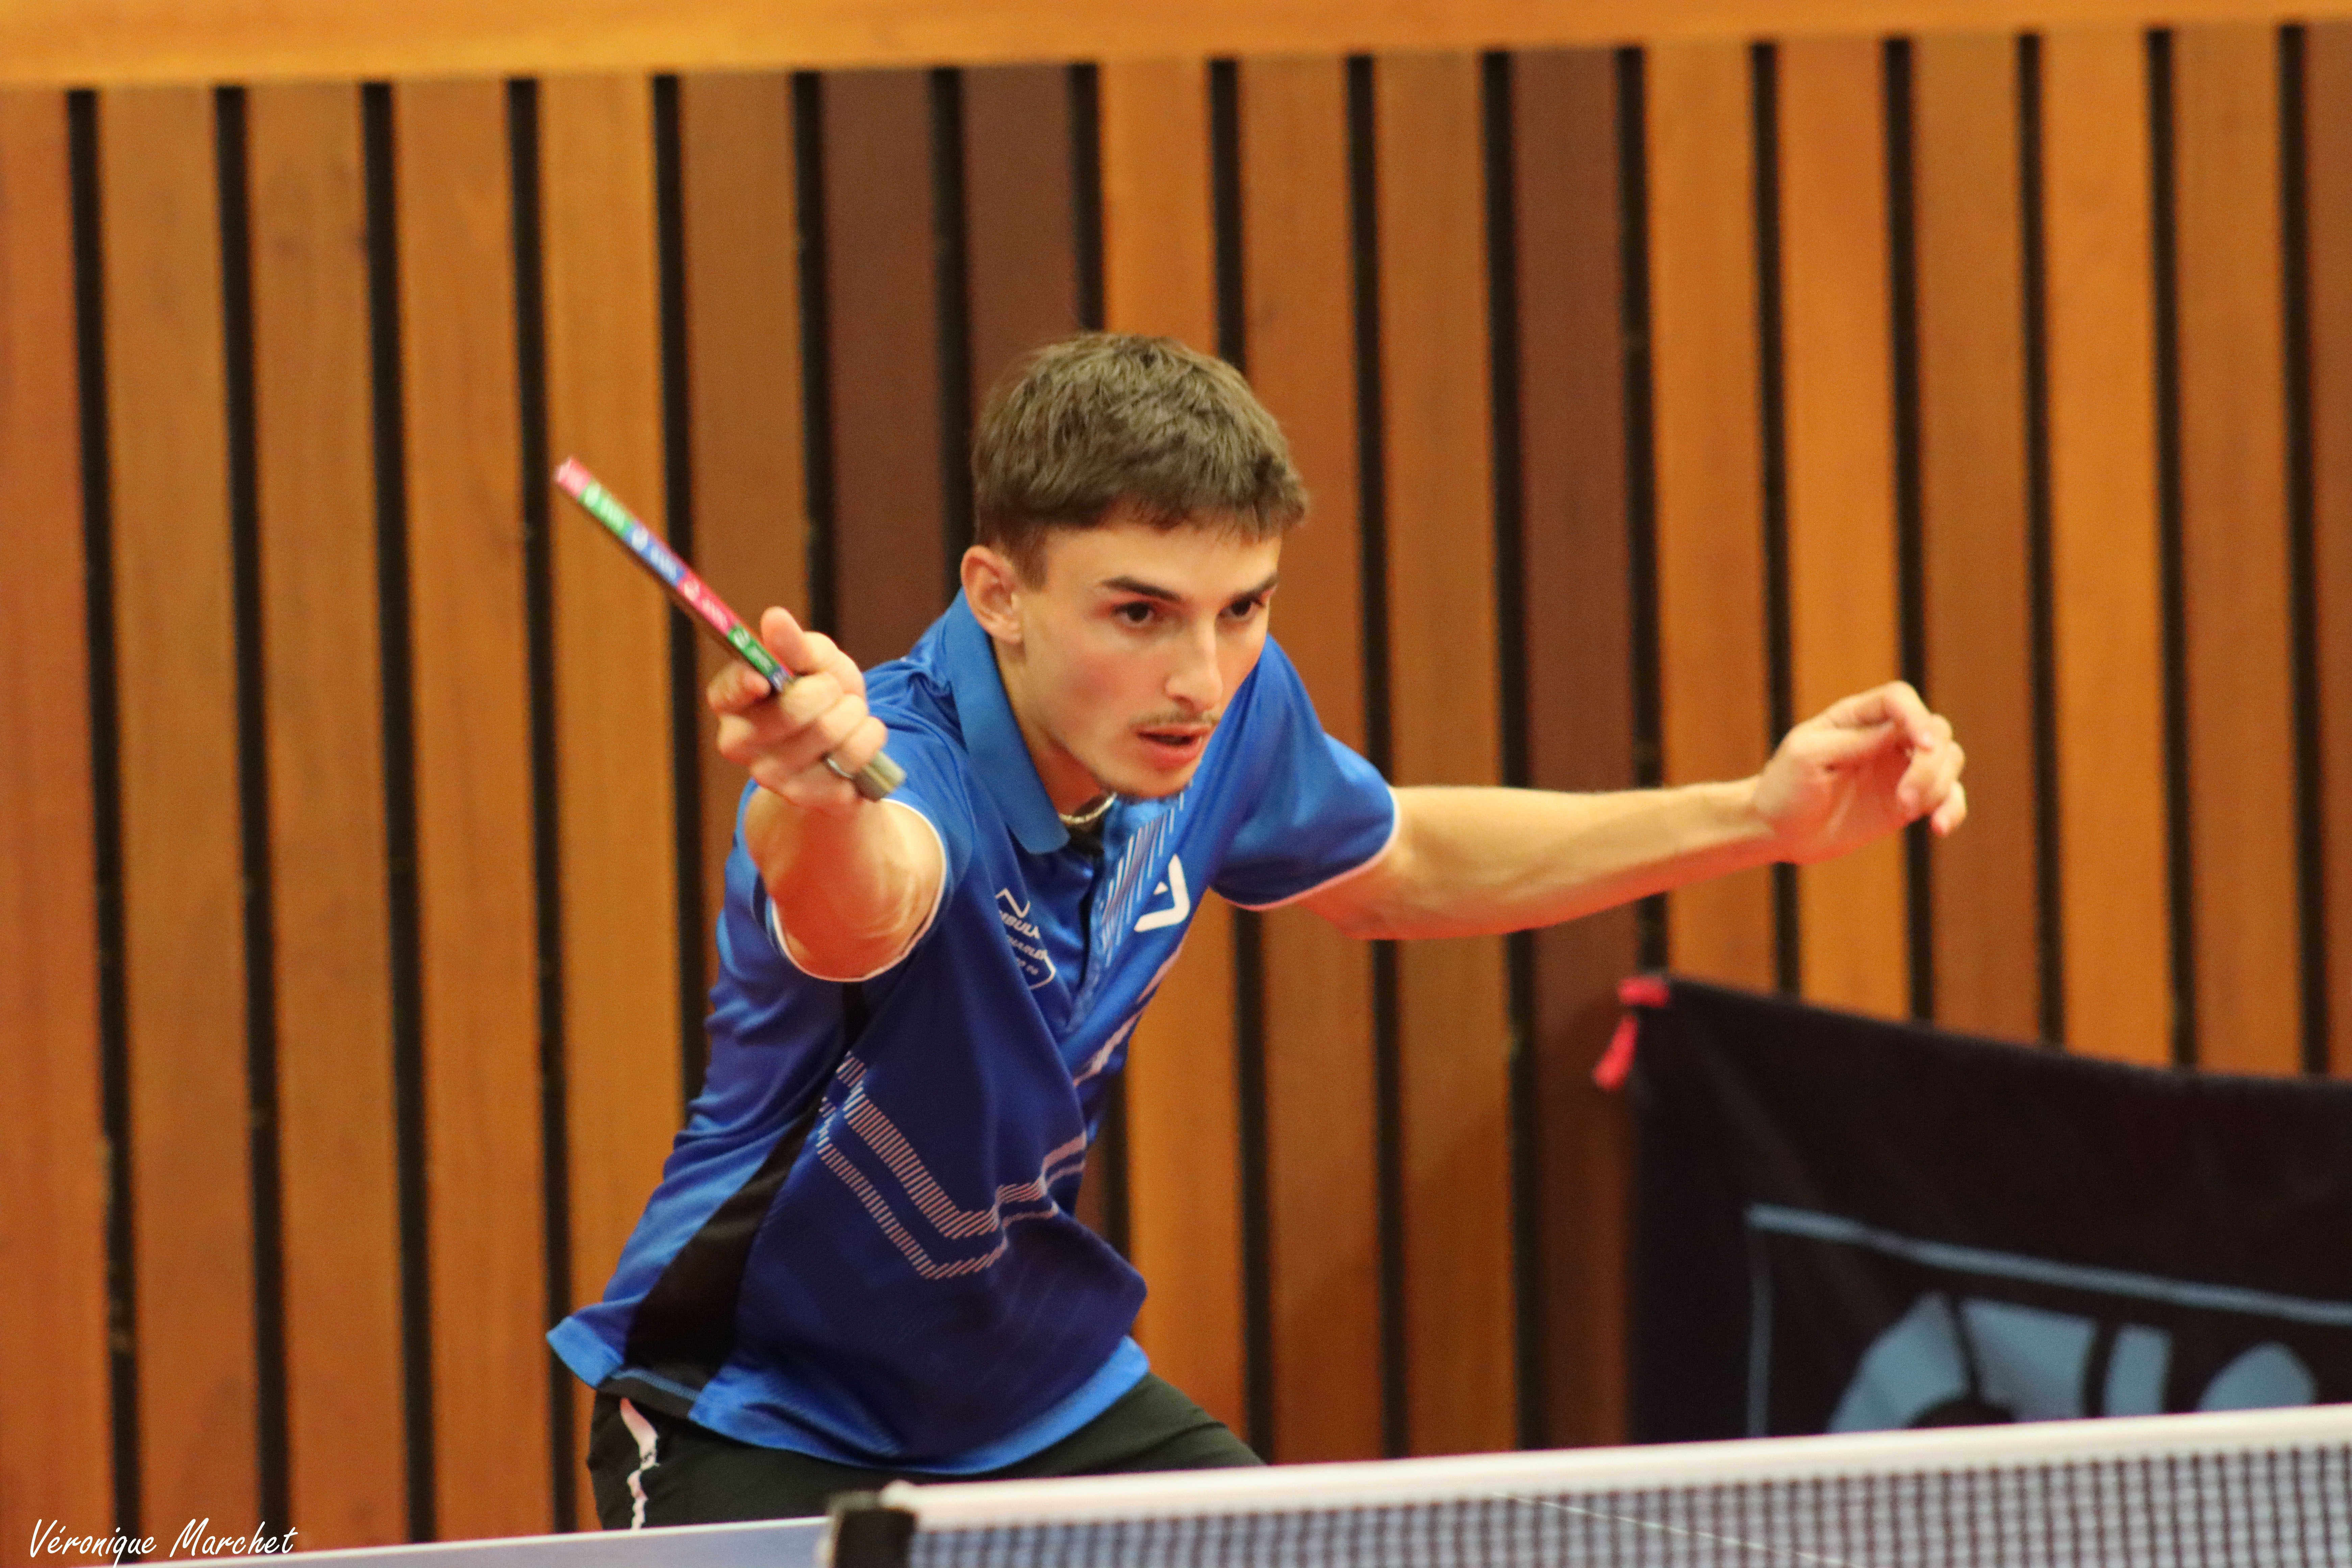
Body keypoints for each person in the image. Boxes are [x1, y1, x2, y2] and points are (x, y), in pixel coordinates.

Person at [555, 333, 1968, 1527]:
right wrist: (813, 798)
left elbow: (1398, 861)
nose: (1201, 676)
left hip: (1027, 1383)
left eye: (1242, 610)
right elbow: (864, 903)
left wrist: (1757, 817)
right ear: (1000, 596)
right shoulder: (907, 770)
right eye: (1139, 612)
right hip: (759, 1403)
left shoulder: (1223, 717)